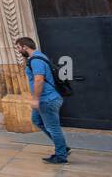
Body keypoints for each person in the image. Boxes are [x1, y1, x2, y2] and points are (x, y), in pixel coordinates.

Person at [15, 36, 71, 164]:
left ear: (25, 47)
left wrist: (35, 99)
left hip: (46, 100)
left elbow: (39, 79)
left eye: (18, 48)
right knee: (36, 120)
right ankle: (62, 146)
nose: (18, 51)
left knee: (53, 128)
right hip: (46, 99)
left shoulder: (36, 61)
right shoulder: (39, 56)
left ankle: (61, 156)